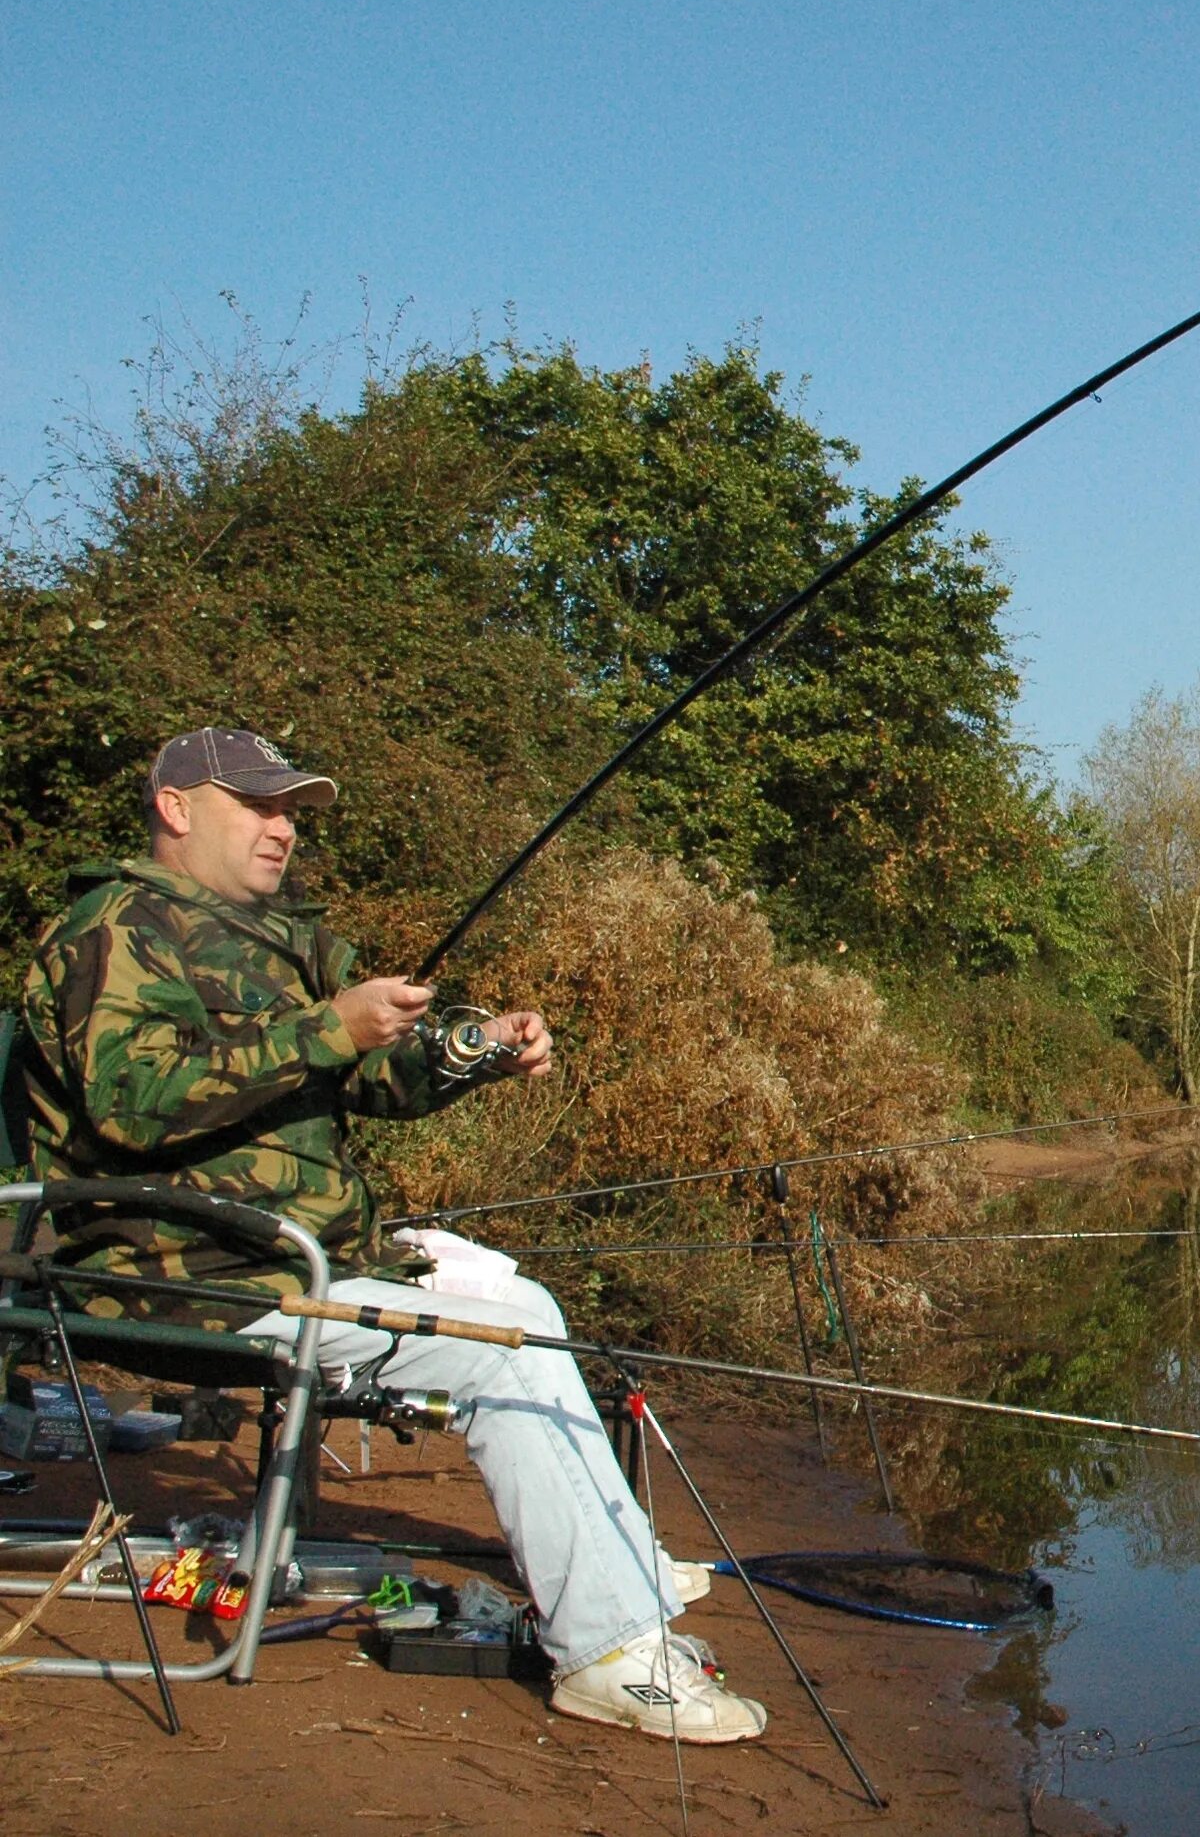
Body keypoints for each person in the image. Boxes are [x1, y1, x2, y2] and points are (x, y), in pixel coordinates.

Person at [8, 728, 764, 1742]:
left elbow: (378, 1076)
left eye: (293, 813)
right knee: (503, 1357)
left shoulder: (289, 943)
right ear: (177, 807)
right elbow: (134, 1104)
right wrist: (328, 1029)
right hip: (180, 1277)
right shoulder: (112, 929)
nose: (284, 829)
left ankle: (618, 1577)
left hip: (299, 1255)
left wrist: (472, 1047)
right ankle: (607, 1654)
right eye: (259, 806)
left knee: (520, 1305)